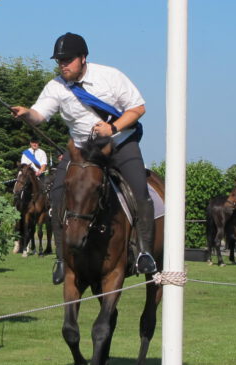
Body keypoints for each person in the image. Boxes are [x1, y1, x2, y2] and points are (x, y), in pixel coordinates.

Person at [11, 32, 156, 283]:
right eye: (59, 61)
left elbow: (138, 108)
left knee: (140, 191)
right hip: (81, 151)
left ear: (83, 58)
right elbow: (39, 115)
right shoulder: (56, 87)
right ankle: (61, 258)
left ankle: (145, 253)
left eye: (68, 60)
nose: (63, 65)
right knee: (57, 194)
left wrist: (112, 128)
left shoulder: (110, 76)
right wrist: (26, 114)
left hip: (119, 144)